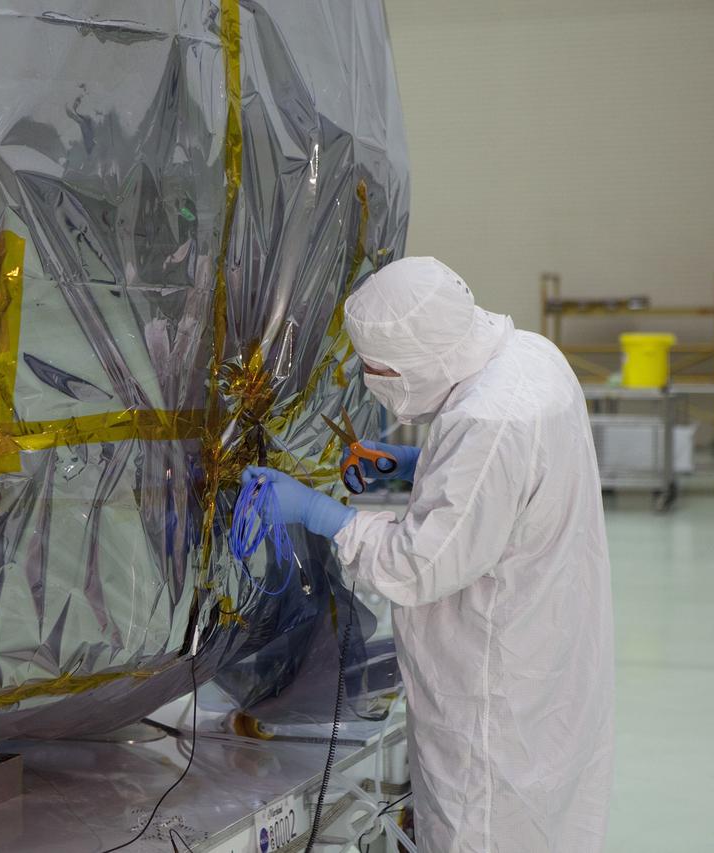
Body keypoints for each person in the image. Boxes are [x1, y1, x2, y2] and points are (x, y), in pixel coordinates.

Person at [243, 256, 614, 852]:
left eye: (378, 370)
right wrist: (423, 466)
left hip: (496, 692)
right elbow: (510, 486)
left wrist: (319, 513)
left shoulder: (489, 421)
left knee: (484, 831)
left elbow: (415, 566)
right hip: (546, 654)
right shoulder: (529, 356)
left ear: (421, 358)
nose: (372, 381)